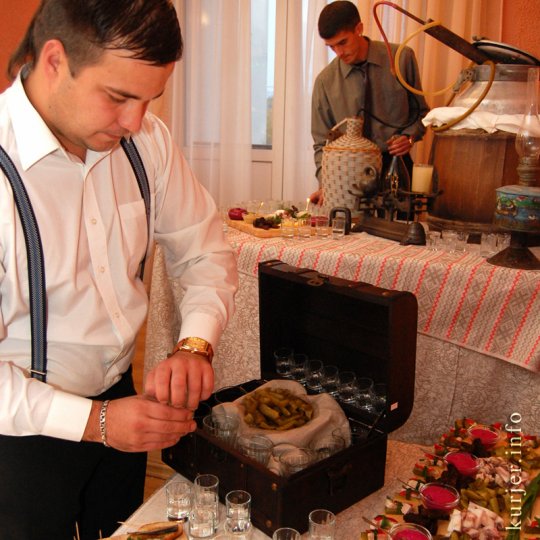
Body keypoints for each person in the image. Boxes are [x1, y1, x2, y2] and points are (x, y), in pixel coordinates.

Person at [0, 1, 238, 539]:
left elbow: (203, 250)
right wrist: (95, 423)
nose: (134, 122)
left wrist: (195, 344)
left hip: (123, 404)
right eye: (118, 96)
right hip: (18, 434)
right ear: (55, 60)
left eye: (149, 98)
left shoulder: (146, 141)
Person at [310, 0, 430, 205]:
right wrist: (326, 184)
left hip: (397, 172)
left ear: (359, 29)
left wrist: (408, 138)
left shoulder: (401, 59)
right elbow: (322, 142)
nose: (338, 52)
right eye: (331, 47)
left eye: (343, 42)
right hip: (347, 177)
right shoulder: (325, 82)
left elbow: (422, 114)